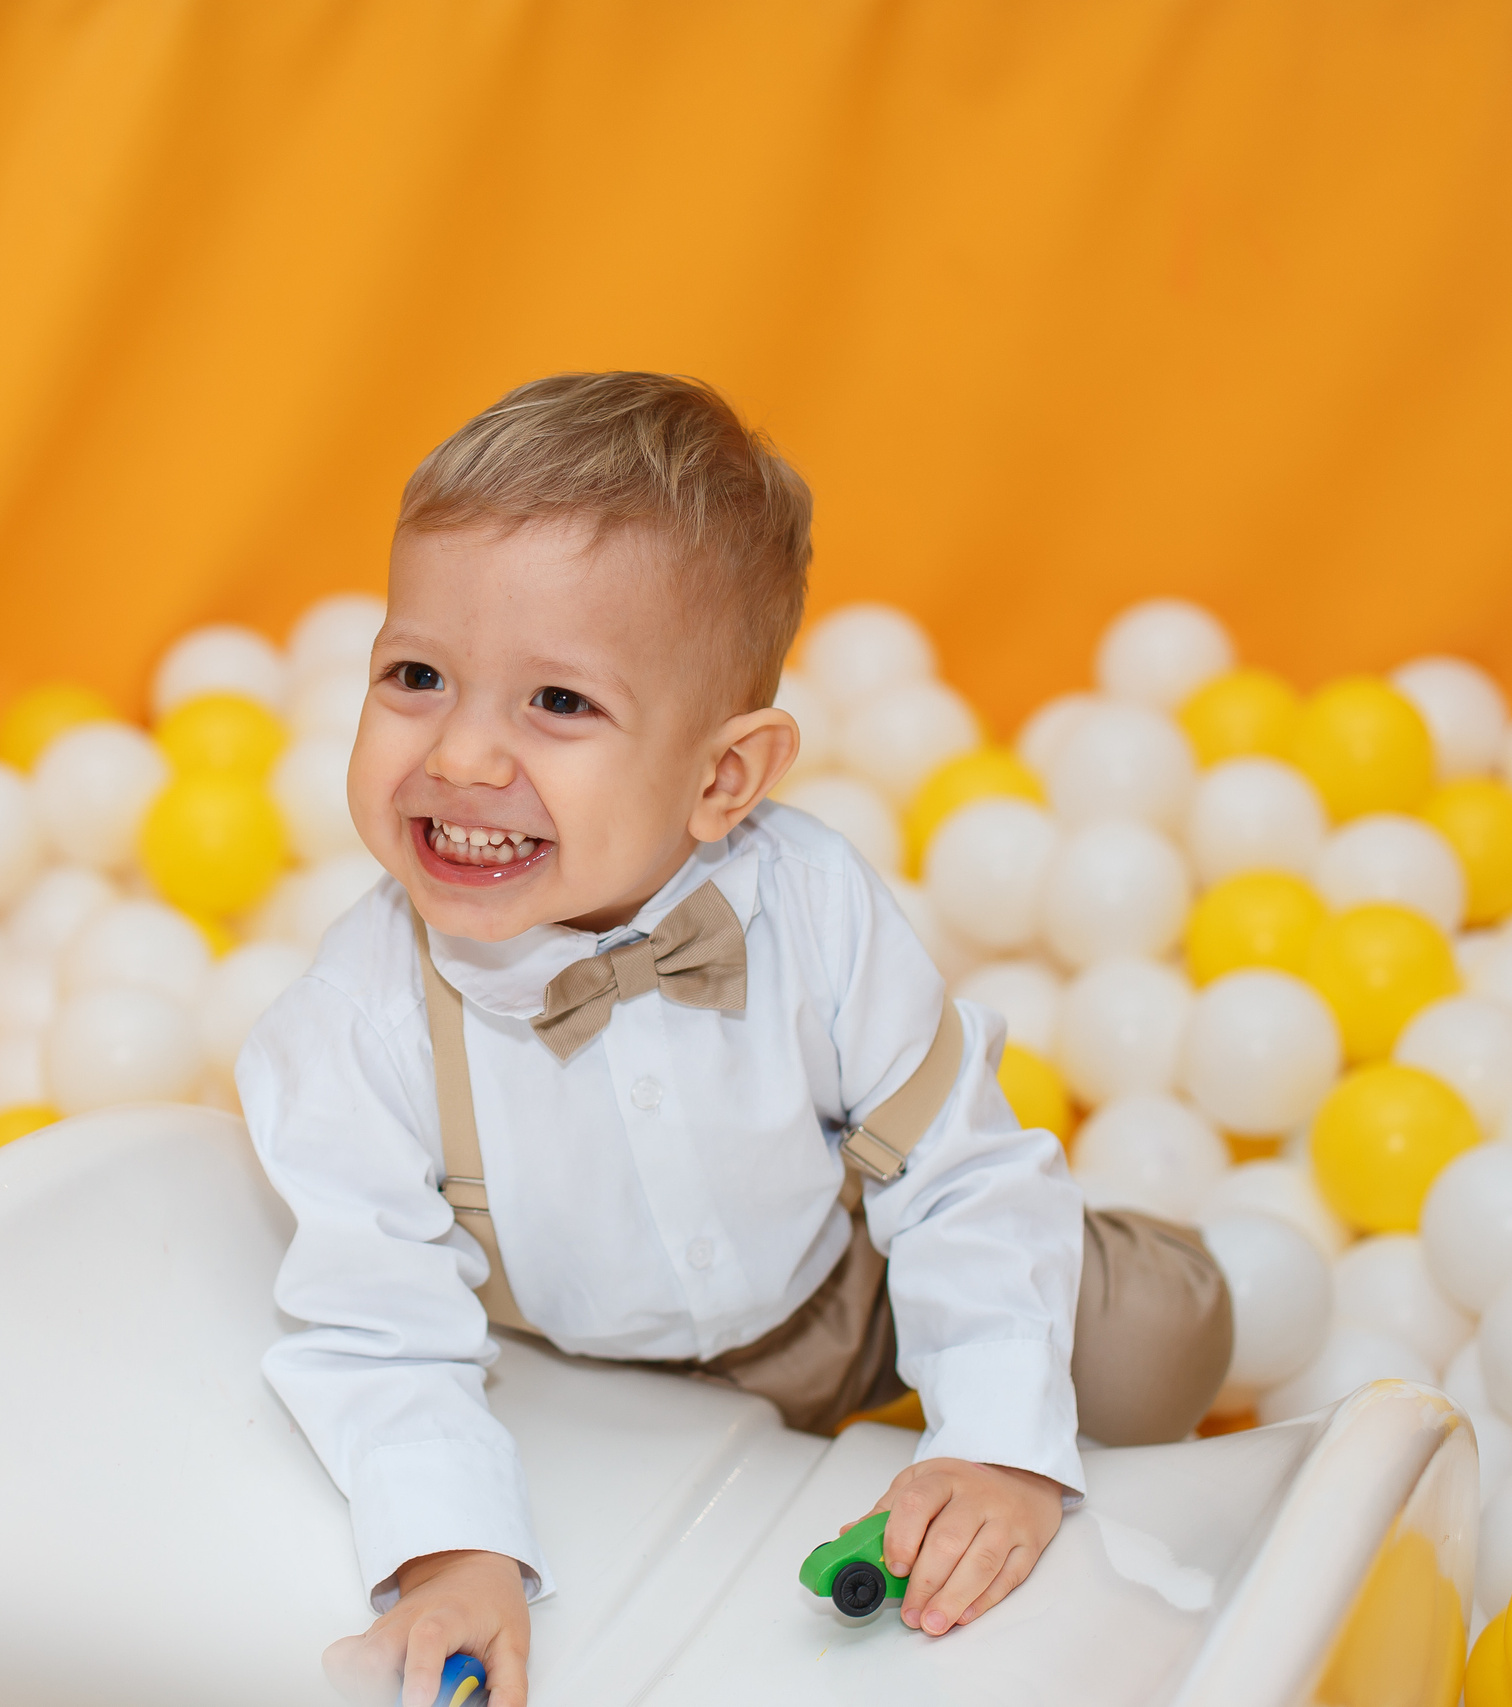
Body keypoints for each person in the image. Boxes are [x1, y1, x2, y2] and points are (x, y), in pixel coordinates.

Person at [235, 373, 1231, 1707]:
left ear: (723, 780)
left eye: (558, 704)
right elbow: (375, 1325)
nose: (463, 753)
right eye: (418, 676)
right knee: (460, 1474)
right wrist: (451, 1550)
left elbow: (951, 1176)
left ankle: (1109, 1280)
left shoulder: (810, 908)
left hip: (838, 1292)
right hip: (570, 1358)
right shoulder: (355, 1022)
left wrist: (996, 1448)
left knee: (1158, 1339)